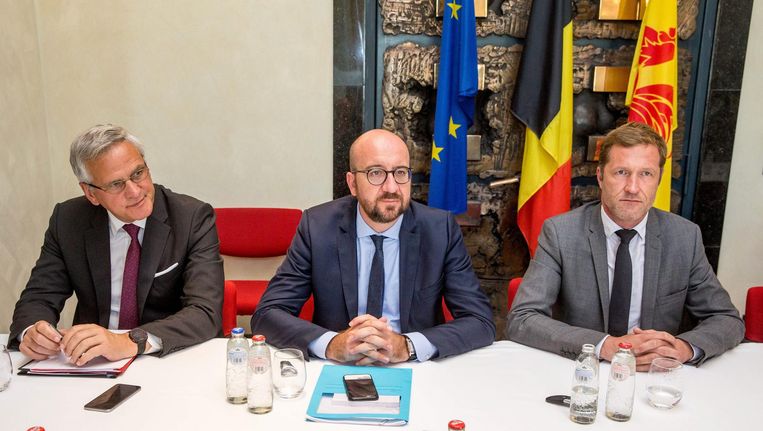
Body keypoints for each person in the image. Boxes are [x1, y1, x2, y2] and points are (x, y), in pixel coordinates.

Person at [507, 122, 744, 370]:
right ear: (600, 177)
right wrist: (605, 346)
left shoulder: (684, 237)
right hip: (583, 371)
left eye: (646, 174)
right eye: (621, 172)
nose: (632, 188)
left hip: (654, 374)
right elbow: (523, 318)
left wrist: (682, 349)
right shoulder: (561, 233)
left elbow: (726, 318)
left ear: (659, 180)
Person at [252, 129, 495, 365]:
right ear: (352, 183)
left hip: (415, 367)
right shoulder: (317, 227)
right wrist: (332, 344)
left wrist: (407, 346)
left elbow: (480, 321)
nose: (391, 187)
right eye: (376, 173)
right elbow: (267, 314)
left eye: (400, 172)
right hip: (338, 366)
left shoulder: (439, 230)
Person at [9, 124, 223, 365]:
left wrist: (127, 341)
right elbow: (39, 297)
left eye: (138, 173)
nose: (135, 191)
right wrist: (32, 332)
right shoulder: (68, 220)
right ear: (90, 193)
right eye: (116, 184)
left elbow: (204, 312)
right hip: (90, 362)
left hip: (164, 358)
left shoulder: (191, 217)